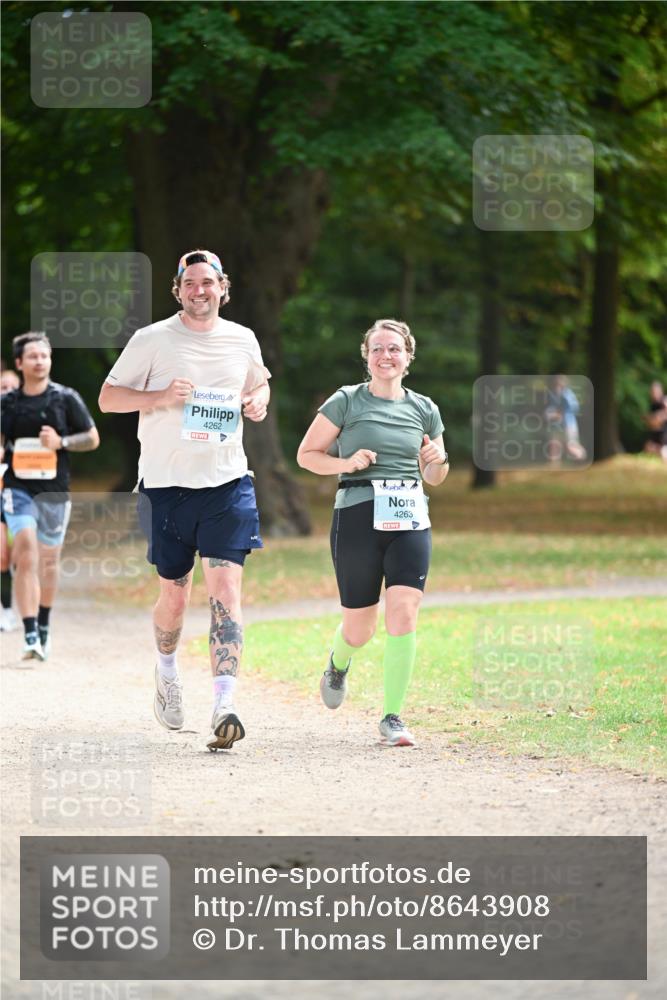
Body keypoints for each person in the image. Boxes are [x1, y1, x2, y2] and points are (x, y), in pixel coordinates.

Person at [98, 249, 271, 752]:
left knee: (226, 591)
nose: (200, 291)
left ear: (223, 288)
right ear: (178, 290)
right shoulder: (151, 339)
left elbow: (259, 383)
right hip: (166, 487)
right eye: (190, 283)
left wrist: (258, 402)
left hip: (227, 483)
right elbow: (108, 398)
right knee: (175, 595)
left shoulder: (242, 338)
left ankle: (224, 703)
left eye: (208, 282)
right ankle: (168, 670)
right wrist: (159, 398)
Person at [297, 318, 449, 747]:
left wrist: (437, 460)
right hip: (358, 516)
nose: (386, 356)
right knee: (360, 629)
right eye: (377, 348)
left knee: (404, 610)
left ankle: (392, 716)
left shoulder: (425, 408)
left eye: (394, 349)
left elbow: (436, 476)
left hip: (410, 517)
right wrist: (346, 463)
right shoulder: (346, 401)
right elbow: (307, 455)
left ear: (408, 357)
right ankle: (338, 661)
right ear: (366, 356)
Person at [0, 333, 100, 659]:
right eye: (33, 356)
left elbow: (92, 438)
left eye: (44, 355)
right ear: (19, 363)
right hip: (18, 488)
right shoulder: (7, 403)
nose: (40, 361)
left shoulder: (65, 398)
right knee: (25, 549)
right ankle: (29, 632)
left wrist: (61, 442)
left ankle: (43, 622)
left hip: (54, 491)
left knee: (48, 562)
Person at [0, 366, 21, 631]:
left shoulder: (28, 421)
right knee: (2, 556)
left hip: (22, 493)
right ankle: (5, 610)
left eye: (12, 387)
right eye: (2, 387)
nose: (7, 392)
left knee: (20, 556)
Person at [643, 380, 667, 462]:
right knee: (648, 448)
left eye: (655, 391)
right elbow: (651, 423)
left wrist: (655, 418)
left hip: (664, 439)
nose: (654, 394)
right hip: (656, 438)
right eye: (652, 392)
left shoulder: (664, 401)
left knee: (663, 453)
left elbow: (660, 418)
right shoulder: (653, 405)